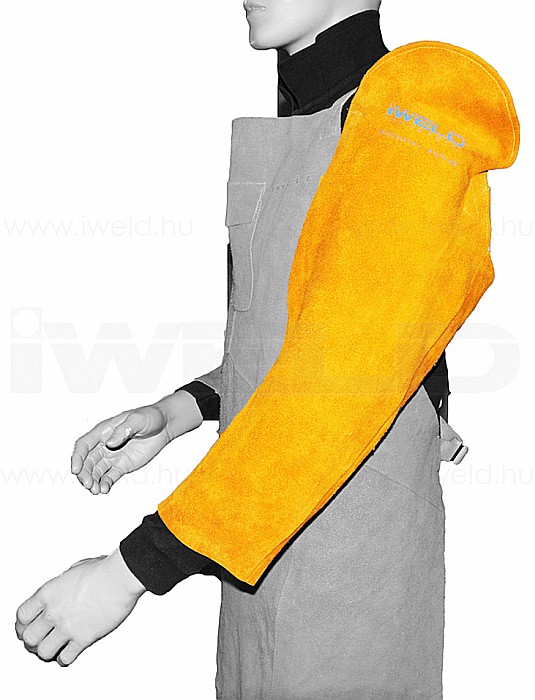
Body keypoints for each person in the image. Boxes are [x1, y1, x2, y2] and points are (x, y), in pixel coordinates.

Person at [15, 1, 484, 696]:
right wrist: (180, 411)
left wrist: (130, 570)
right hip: (258, 547)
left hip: (350, 566)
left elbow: (345, 379)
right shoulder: (314, 119)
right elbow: (298, 339)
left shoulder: (408, 113)